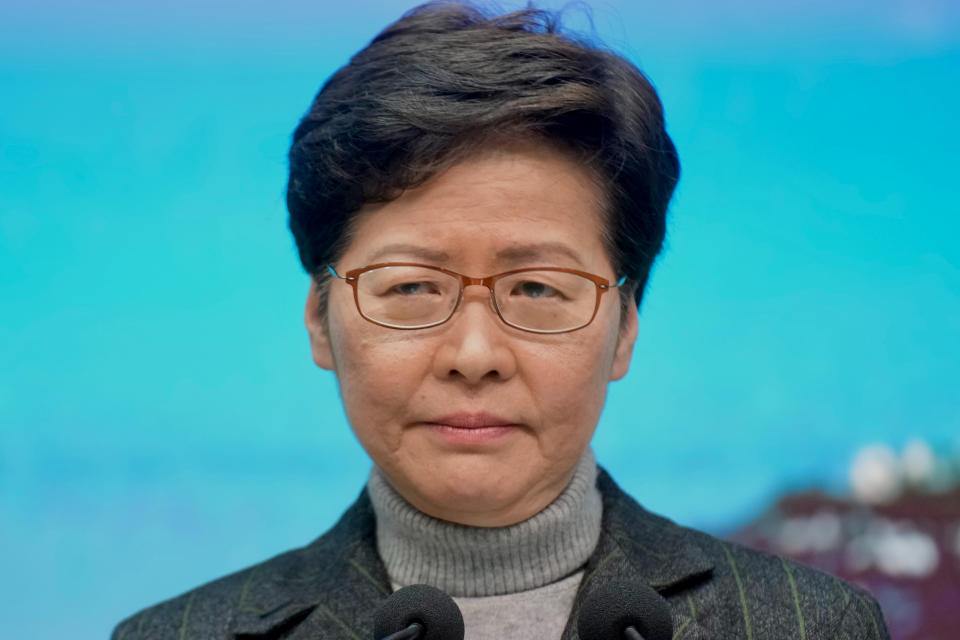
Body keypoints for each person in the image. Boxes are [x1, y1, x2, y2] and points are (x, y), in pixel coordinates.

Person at [113, 2, 891, 639]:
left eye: (537, 289)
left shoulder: (809, 626)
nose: (475, 353)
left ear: (624, 325)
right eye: (413, 286)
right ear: (321, 318)